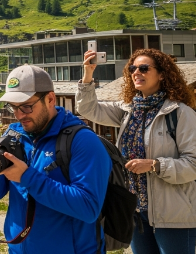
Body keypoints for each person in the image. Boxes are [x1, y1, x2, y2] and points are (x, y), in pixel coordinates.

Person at [0, 64, 111, 253]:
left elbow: (88, 207)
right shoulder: (14, 135)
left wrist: (27, 177)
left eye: (26, 106)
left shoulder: (82, 141)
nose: (19, 115)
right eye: (13, 107)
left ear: (50, 99)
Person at [77, 48, 196, 253]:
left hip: (173, 214)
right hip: (135, 211)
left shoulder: (180, 113)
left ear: (162, 74)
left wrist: (154, 165)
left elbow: (193, 164)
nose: (136, 72)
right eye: (132, 68)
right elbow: (88, 109)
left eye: (144, 68)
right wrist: (88, 75)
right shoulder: (129, 110)